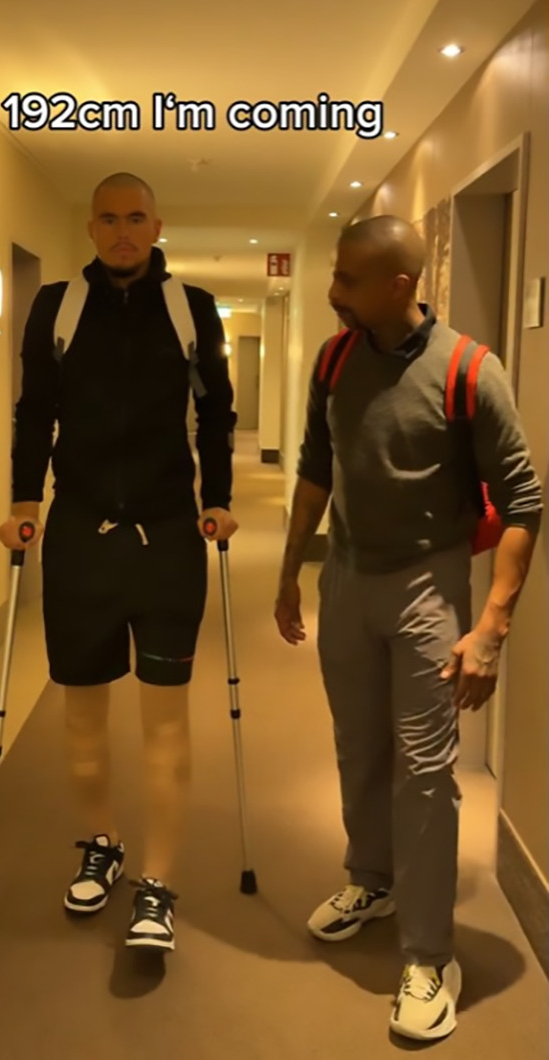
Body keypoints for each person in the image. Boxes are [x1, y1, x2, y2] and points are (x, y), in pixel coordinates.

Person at [275, 215, 542, 1042]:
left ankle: (429, 956)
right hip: (347, 578)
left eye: (347, 279)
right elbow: (315, 469)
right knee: (359, 747)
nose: (333, 290)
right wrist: (289, 571)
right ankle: (373, 879)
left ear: (399, 286)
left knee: (425, 773)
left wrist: (492, 625)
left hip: (429, 586)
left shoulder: (470, 370)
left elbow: (525, 501)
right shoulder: (335, 359)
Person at [0, 172, 238, 954]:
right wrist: (24, 501)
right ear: (92, 229)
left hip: (168, 537)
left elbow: (216, 411)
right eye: (109, 219)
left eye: (137, 218)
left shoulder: (192, 309)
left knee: (165, 721)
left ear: (157, 226)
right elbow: (35, 409)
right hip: (80, 535)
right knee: (82, 715)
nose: (124, 231)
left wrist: (218, 497)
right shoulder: (57, 306)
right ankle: (102, 843)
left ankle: (157, 884)